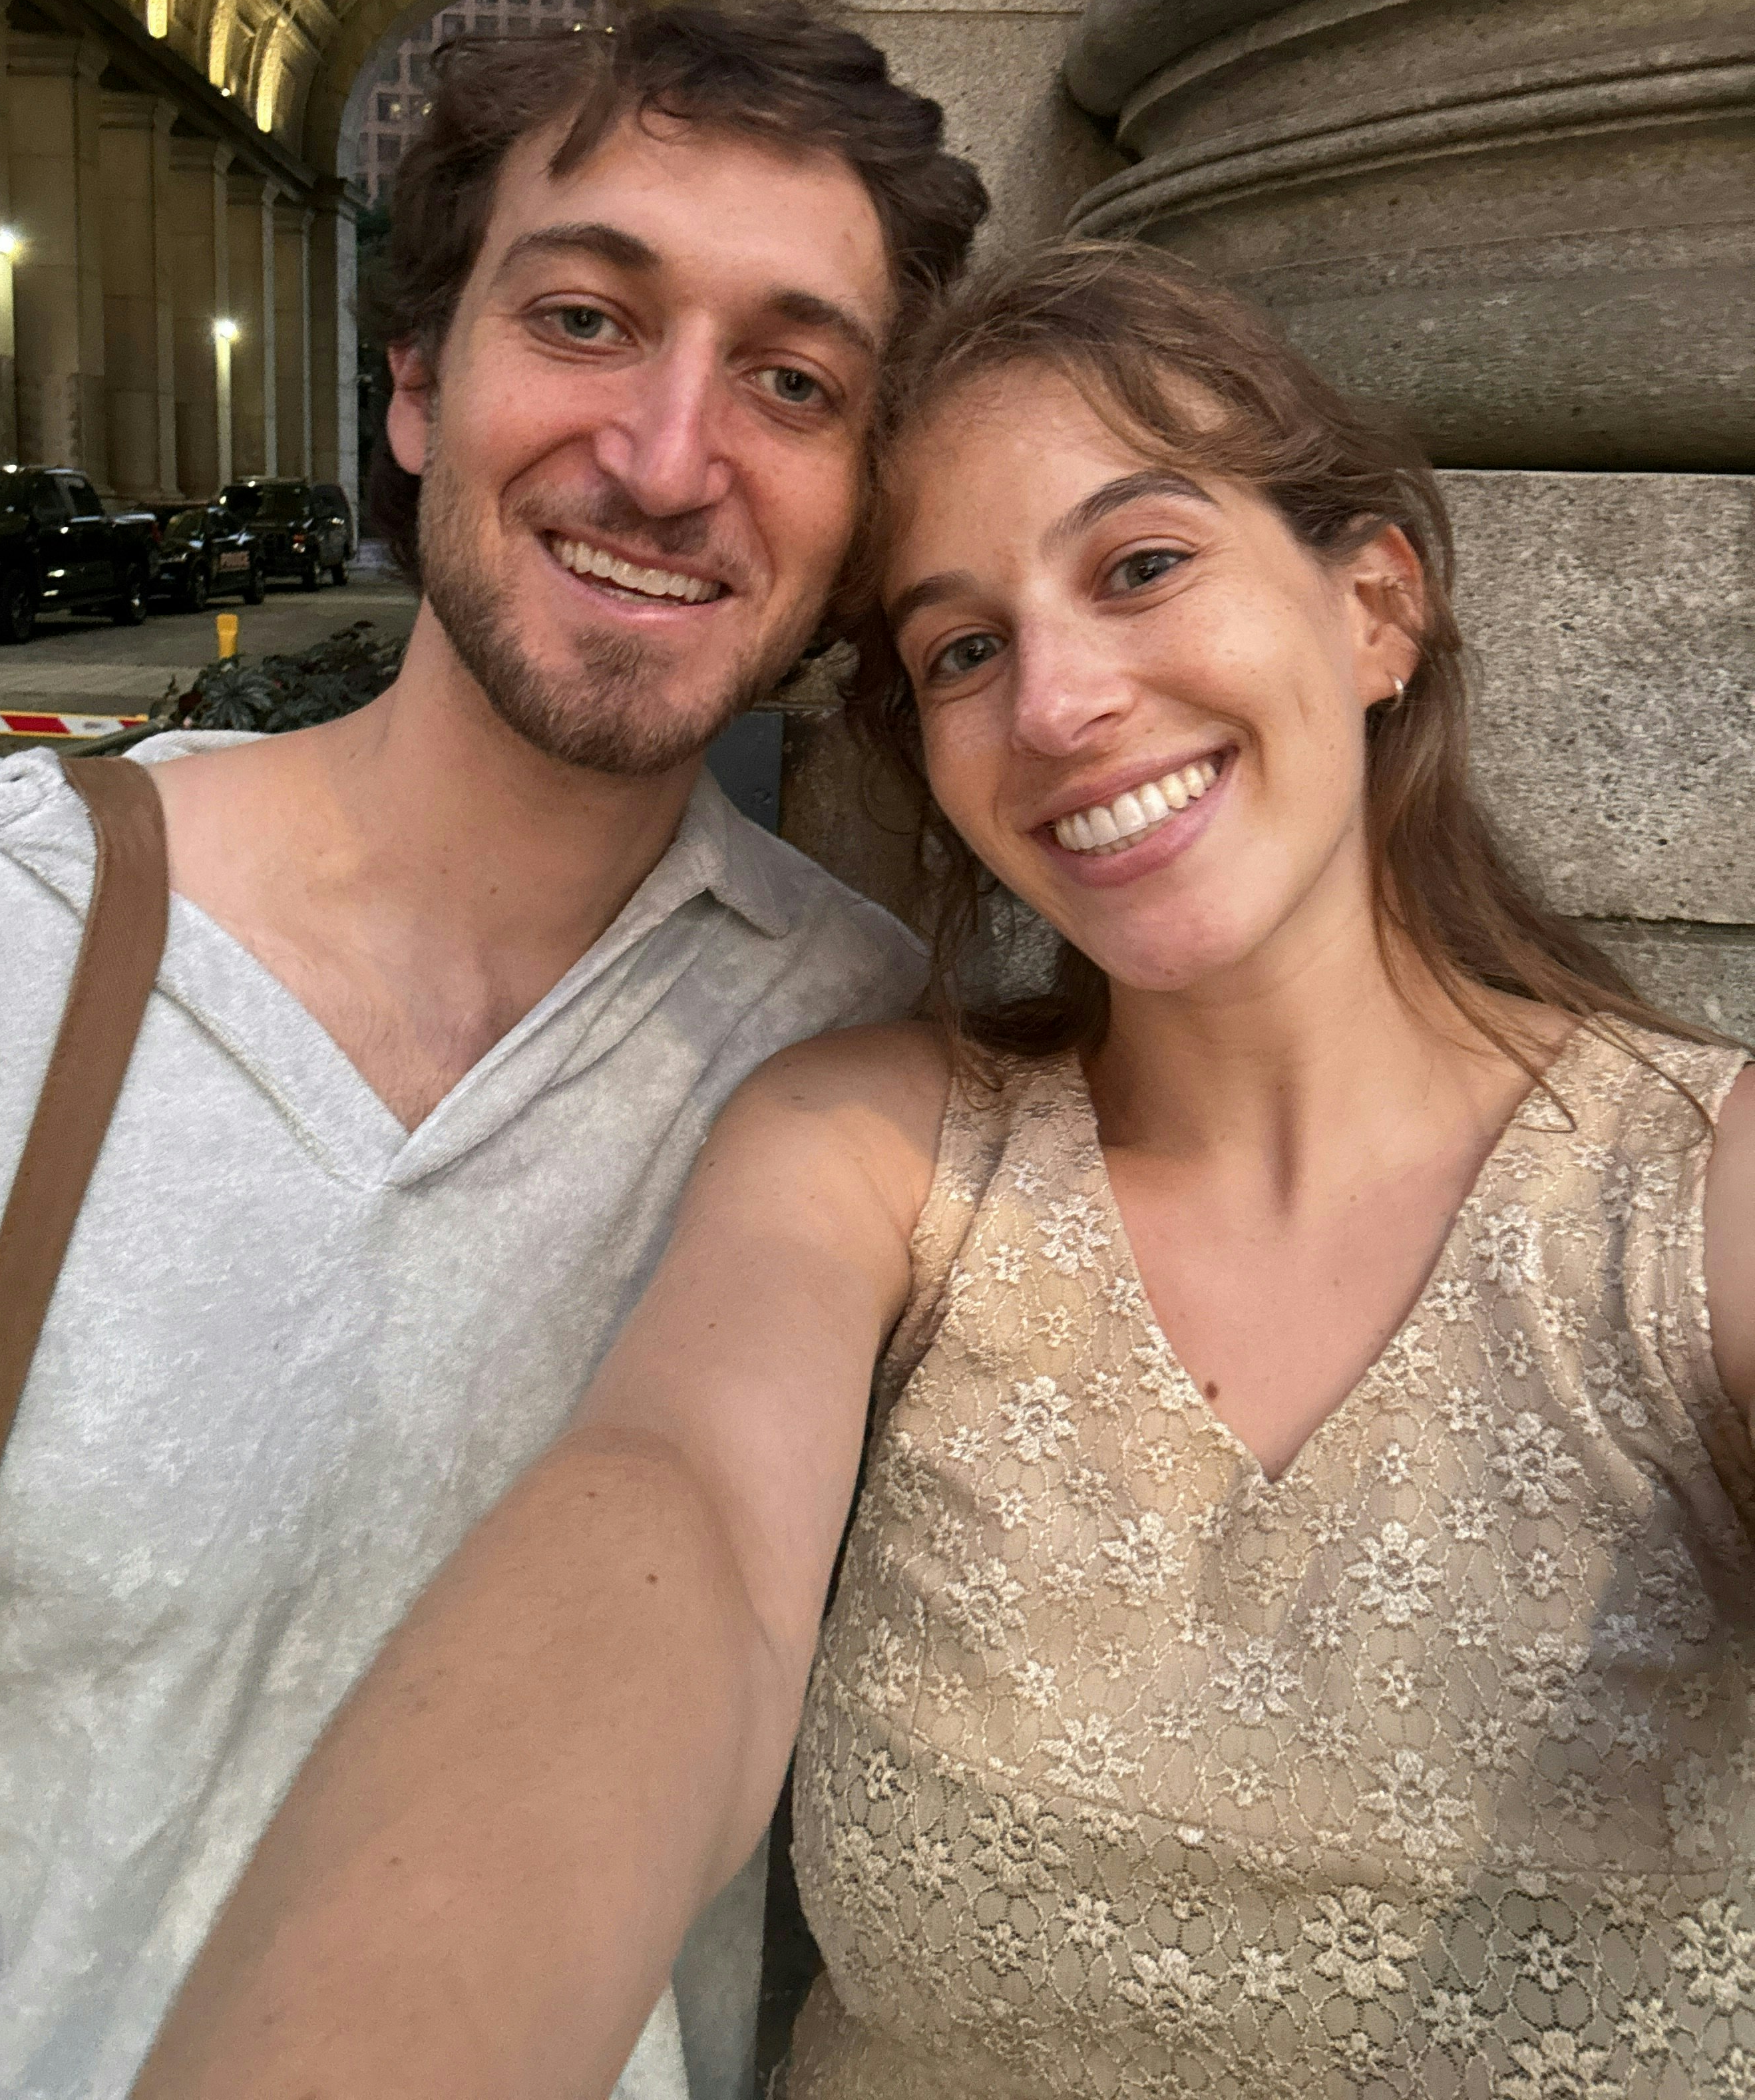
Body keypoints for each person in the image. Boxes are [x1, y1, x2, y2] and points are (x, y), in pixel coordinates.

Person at [136, 240, 1755, 2100]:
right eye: (964, 648)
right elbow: (672, 1528)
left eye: (1142, 567)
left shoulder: (1698, 1193)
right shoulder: (873, 1151)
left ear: (1373, 607)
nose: (1057, 704)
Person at [0, 0, 990, 2100]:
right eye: (587, 320)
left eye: (791, 380)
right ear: (416, 382)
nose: (671, 459)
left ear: (865, 500)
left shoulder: (876, 1064)